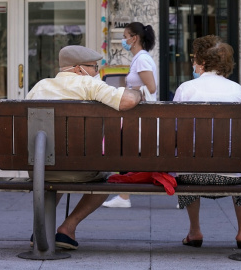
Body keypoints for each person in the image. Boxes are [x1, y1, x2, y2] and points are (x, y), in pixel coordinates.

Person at [26, 45, 144, 250]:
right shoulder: (89, 85)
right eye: (95, 67)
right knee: (106, 179)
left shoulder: (39, 87)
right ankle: (68, 228)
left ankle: (41, 229)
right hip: (81, 169)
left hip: (41, 169)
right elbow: (126, 101)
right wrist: (139, 94)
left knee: (53, 169)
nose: (97, 72)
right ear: (79, 69)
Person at [173, 35, 241, 249]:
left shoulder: (186, 88)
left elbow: (175, 131)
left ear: (203, 63)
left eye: (194, 59)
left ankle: (194, 231)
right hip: (234, 176)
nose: (192, 64)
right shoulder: (236, 90)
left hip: (193, 175)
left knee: (185, 161)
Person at [102, 22, 158, 208]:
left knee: (126, 150)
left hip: (140, 115)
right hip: (138, 115)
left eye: (125, 36)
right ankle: (123, 195)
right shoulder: (140, 58)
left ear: (134, 39)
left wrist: (129, 91)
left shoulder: (141, 59)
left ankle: (124, 196)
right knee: (128, 150)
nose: (123, 40)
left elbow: (151, 88)